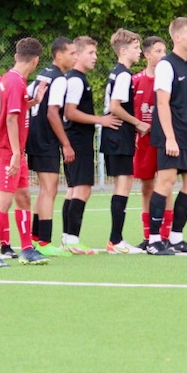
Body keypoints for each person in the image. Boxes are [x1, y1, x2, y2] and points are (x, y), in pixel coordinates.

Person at [0, 38, 51, 267]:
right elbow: (11, 119)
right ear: (36, 60)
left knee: (23, 198)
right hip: (6, 150)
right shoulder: (15, 82)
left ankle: (27, 249)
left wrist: (34, 101)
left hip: (13, 150)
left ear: (16, 56)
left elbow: (14, 110)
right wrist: (15, 153)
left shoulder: (12, 79)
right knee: (3, 201)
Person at [59, 36, 122, 253]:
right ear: (77, 55)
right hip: (77, 140)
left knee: (72, 189)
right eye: (90, 53)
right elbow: (70, 112)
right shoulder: (76, 80)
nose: (95, 57)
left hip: (74, 139)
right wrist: (100, 120)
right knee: (83, 189)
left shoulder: (74, 79)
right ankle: (72, 240)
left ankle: (67, 239)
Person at [147, 17, 187, 255]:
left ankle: (176, 237)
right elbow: (162, 102)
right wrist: (170, 137)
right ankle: (153, 240)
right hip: (171, 134)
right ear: (177, 37)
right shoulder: (166, 65)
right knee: (166, 182)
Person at [26, 36, 77, 257]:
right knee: (50, 189)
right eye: (72, 53)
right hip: (45, 138)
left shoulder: (43, 73)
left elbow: (27, 94)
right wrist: (66, 144)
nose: (75, 57)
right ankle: (44, 242)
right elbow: (52, 113)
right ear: (59, 55)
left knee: (44, 189)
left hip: (34, 135)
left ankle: (36, 238)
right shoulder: (59, 79)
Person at [100, 29, 149, 254]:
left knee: (124, 183)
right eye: (136, 47)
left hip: (118, 135)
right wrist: (138, 123)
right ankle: (115, 241)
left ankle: (116, 240)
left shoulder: (118, 72)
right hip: (117, 135)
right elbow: (115, 106)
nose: (139, 51)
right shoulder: (123, 75)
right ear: (123, 50)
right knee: (123, 184)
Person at [132, 35, 173, 250]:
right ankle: (148, 235)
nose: (163, 55)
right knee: (147, 186)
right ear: (147, 55)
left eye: (164, 51)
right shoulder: (135, 81)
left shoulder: (169, 80)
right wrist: (135, 129)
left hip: (165, 141)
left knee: (166, 185)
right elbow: (127, 111)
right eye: (158, 51)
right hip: (144, 142)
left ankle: (165, 234)